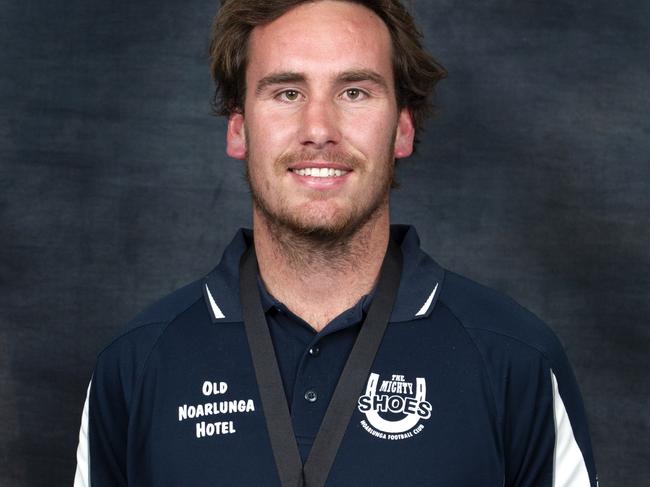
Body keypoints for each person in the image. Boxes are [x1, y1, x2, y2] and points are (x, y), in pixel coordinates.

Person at [74, 1, 598, 486]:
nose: (318, 129)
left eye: (354, 92)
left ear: (402, 129)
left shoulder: (517, 358)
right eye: (287, 92)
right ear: (238, 129)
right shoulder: (137, 363)